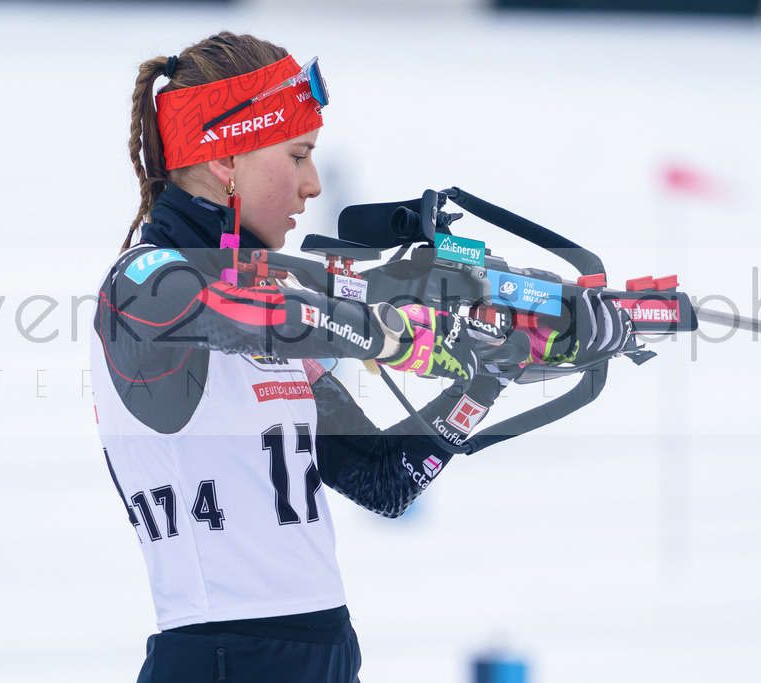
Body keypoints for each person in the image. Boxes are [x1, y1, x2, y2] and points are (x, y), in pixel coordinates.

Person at [89, 30, 628, 683]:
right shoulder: (142, 281)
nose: (312, 184)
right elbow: (252, 315)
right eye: (298, 155)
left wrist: (489, 374)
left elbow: (385, 481)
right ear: (226, 157)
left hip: (322, 654)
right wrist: (394, 331)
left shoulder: (270, 293)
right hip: (222, 658)